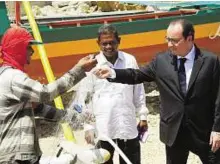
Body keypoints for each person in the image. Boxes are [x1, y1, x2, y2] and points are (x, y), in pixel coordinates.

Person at [94, 19, 220, 164]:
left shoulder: (210, 61)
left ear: (189, 38)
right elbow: (137, 75)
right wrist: (112, 73)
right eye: (168, 39)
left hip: (204, 133)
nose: (169, 44)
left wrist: (217, 129)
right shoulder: (161, 60)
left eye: (174, 41)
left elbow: (218, 97)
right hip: (174, 133)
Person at [0, 26, 97, 164]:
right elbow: (45, 93)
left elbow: (40, 108)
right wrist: (78, 69)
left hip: (20, 155)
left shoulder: (10, 77)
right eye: (28, 47)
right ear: (18, 48)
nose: (32, 51)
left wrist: (77, 119)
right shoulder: (12, 77)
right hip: (14, 156)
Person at [74, 24, 148, 164]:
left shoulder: (129, 60)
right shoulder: (92, 65)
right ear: (98, 44)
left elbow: (138, 90)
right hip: (103, 128)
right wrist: (88, 127)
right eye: (104, 43)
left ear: (118, 41)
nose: (108, 47)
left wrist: (143, 116)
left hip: (127, 125)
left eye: (112, 43)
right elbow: (85, 98)